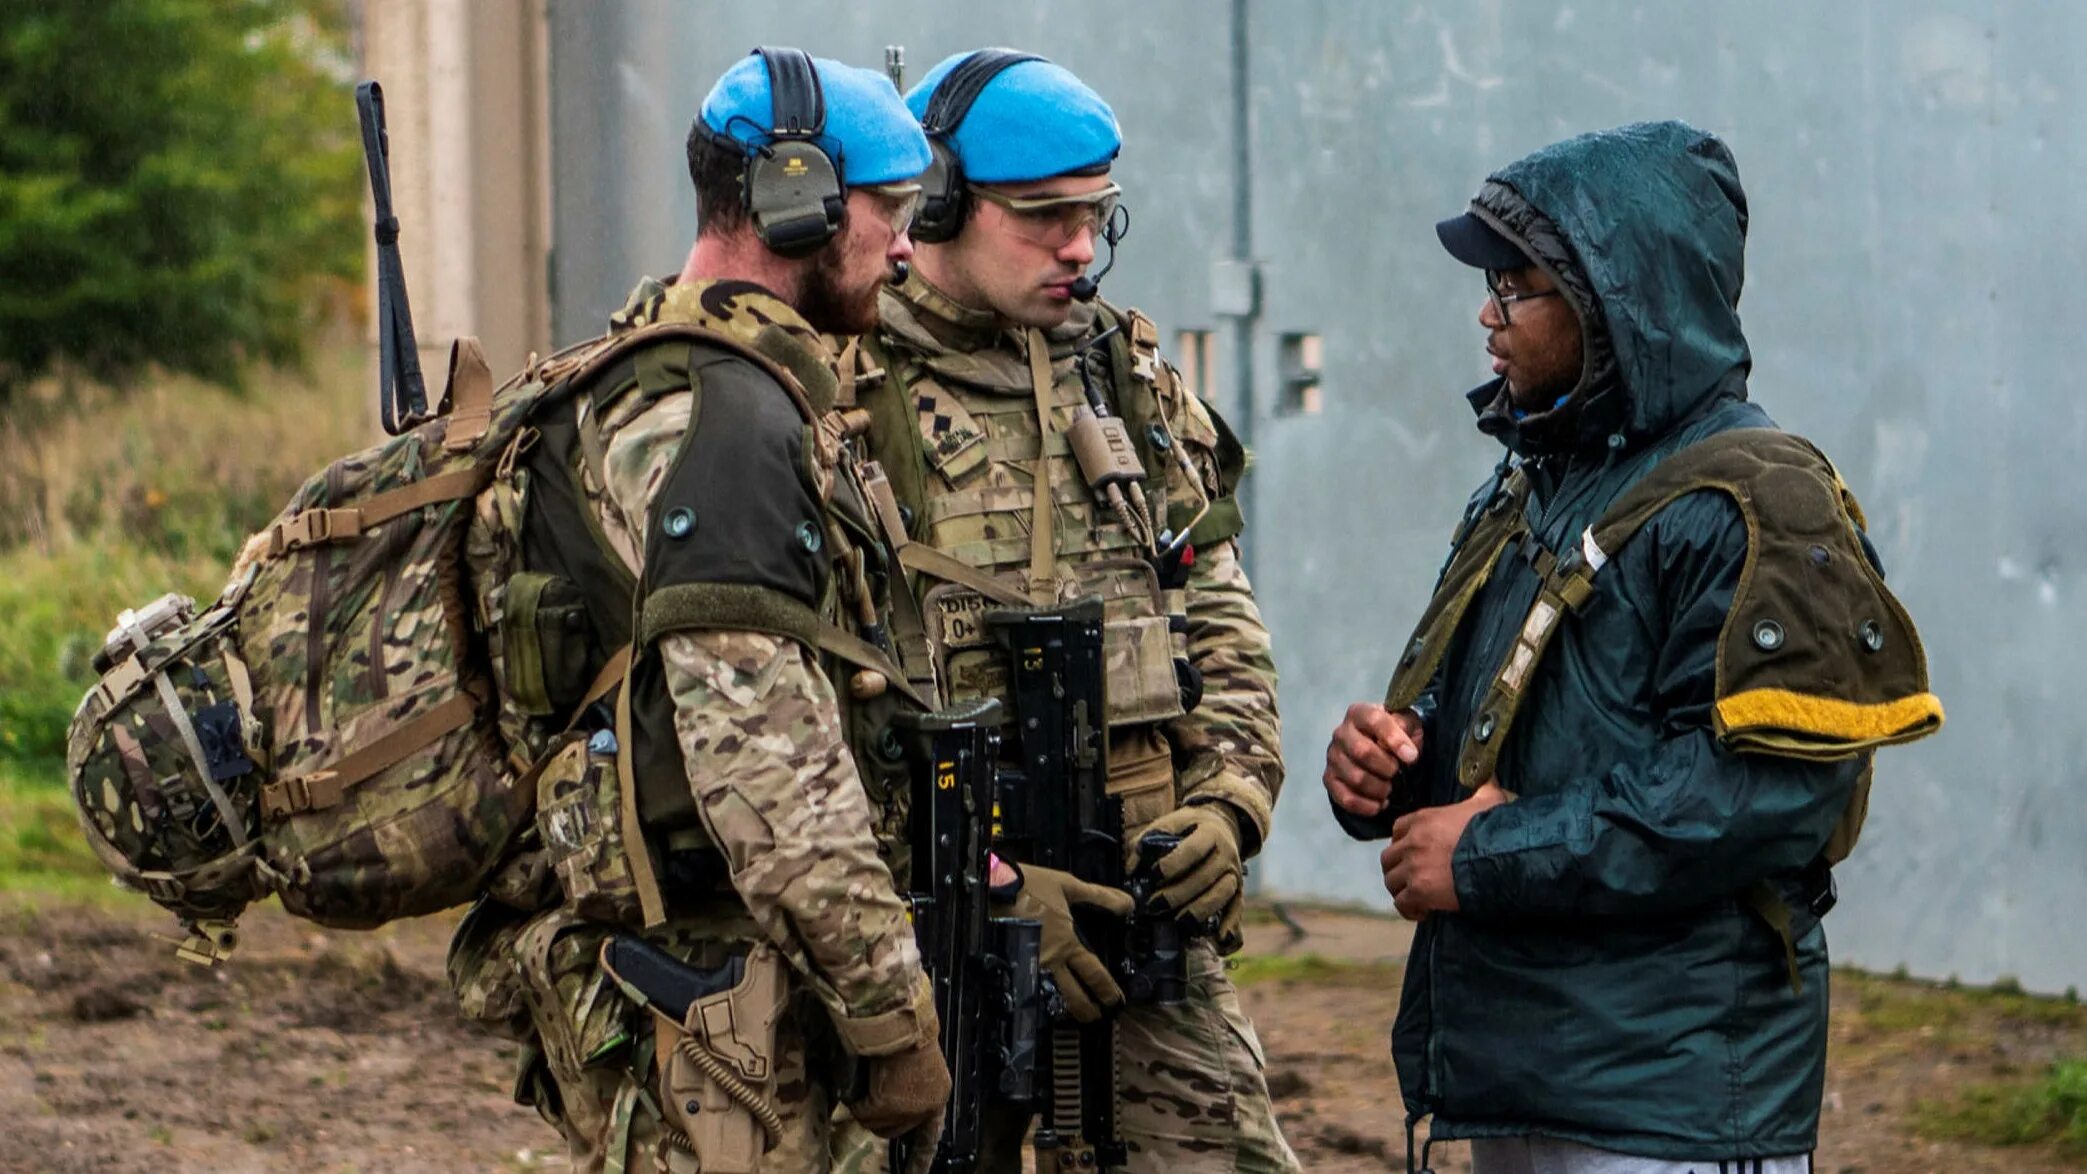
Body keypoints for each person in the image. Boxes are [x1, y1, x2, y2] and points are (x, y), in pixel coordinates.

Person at [1322, 121, 1940, 1174]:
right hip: (1522, 1077)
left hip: (1672, 1105)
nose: (1485, 312)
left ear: (1618, 299)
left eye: (1514, 284)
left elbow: (1760, 796)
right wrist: (1388, 771)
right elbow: (1519, 747)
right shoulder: (1529, 487)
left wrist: (1483, 855)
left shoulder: (1758, 500)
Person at [446, 49, 952, 1173]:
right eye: (888, 210)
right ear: (795, 197)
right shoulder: (725, 425)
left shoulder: (665, 375)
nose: (908, 246)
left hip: (689, 977)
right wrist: (891, 1018)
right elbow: (764, 770)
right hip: (714, 997)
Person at [841, 48, 1300, 1172]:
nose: (1080, 248)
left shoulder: (1125, 378)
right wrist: (987, 886)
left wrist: (1232, 798)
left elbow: (1218, 617)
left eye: (1096, 215)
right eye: (1043, 218)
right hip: (922, 935)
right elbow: (784, 726)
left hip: (1125, 909)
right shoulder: (835, 394)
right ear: (936, 200)